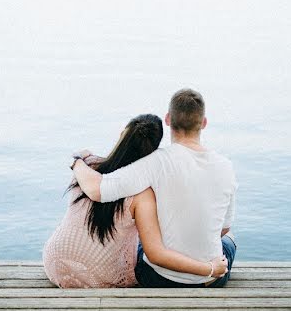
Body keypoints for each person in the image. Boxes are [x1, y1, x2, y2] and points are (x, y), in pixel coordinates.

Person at [72, 89, 238, 287]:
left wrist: (78, 163)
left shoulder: (156, 162)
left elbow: (97, 190)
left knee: (144, 242)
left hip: (159, 277)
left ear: (168, 119)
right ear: (203, 123)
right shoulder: (226, 167)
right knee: (229, 238)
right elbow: (223, 228)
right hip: (210, 278)